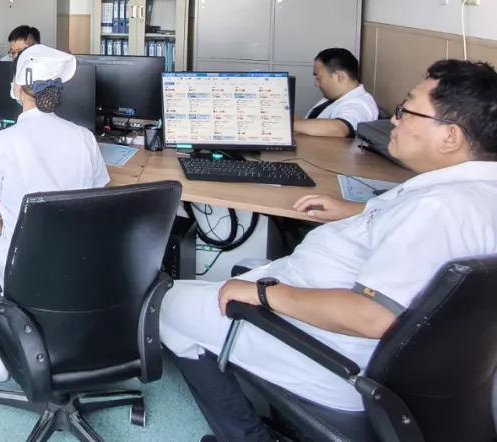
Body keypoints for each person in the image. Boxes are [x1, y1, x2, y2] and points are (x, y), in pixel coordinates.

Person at [161, 59, 497, 442]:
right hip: (363, 342)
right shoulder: (472, 192)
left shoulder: (438, 210)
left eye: (407, 110)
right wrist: (359, 212)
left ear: (450, 137)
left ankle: (246, 436)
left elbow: (372, 316)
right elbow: (411, 236)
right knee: (239, 271)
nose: (394, 119)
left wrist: (264, 294)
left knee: (167, 304)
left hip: (331, 355)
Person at [0, 44, 111, 382]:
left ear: (18, 89)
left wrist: (9, 221)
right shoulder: (85, 139)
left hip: (17, 274)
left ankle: (5, 349)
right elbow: (99, 206)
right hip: (77, 271)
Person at [294, 48, 379, 138]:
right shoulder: (334, 96)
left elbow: (340, 129)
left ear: (339, 76)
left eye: (319, 78)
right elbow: (309, 122)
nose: (316, 84)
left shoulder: (360, 104)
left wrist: (289, 125)